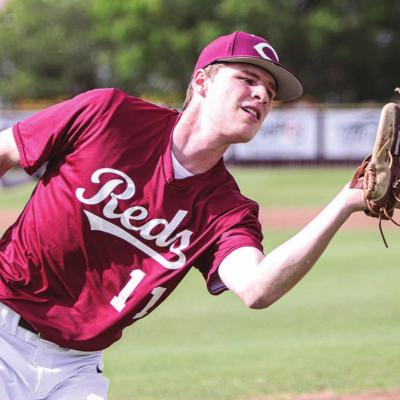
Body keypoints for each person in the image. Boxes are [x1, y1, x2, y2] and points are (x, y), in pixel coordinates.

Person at [0, 31, 367, 399]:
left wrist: (345, 202)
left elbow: (257, 287)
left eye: (270, 93)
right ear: (203, 82)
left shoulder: (227, 210)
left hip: (75, 369)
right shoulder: (108, 116)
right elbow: (4, 152)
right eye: (248, 79)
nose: (261, 95)